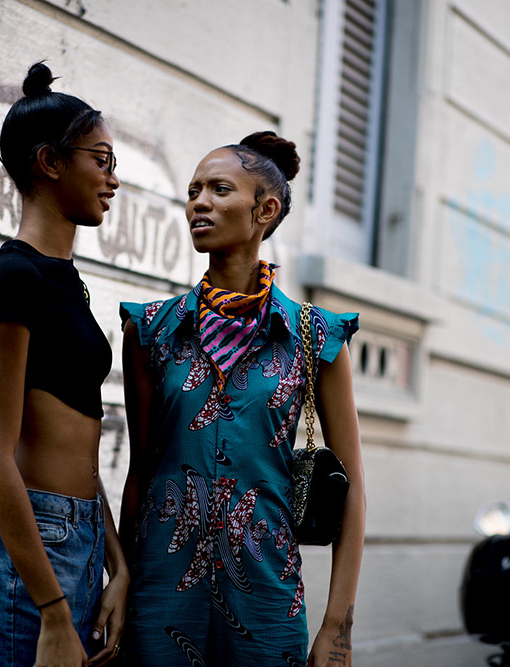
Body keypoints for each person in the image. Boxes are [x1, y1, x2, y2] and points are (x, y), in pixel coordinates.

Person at [118, 132, 366, 666]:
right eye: (193, 191)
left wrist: (337, 627)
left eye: (219, 189)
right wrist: (116, 583)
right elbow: (139, 475)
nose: (199, 202)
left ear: (265, 209)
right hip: (158, 600)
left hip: (268, 605)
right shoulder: (152, 332)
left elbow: (354, 493)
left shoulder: (315, 336)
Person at [0, 62, 129, 667]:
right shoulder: (15, 276)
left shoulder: (65, 281)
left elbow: (77, 450)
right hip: (29, 554)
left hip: (77, 538)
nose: (113, 180)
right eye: (102, 160)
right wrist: (54, 610)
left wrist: (116, 563)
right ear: (50, 162)